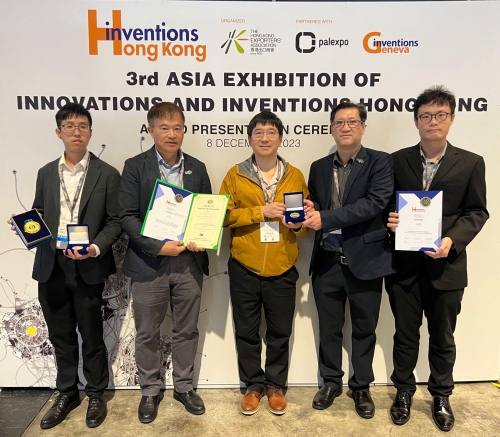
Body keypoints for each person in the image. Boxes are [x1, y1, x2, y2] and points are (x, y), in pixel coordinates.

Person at [7, 103, 121, 429]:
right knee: (61, 335)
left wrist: (94, 248)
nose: (76, 132)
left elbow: (114, 222)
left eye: (82, 126)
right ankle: (67, 392)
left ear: (90, 132)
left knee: (92, 335)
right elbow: (39, 212)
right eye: (69, 126)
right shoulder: (46, 172)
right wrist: (26, 225)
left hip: (88, 265)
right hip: (52, 265)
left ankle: (96, 393)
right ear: (59, 132)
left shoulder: (107, 173)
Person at [386, 86, 488, 432]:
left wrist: (451, 241)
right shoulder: (396, 160)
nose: (433, 121)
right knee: (405, 335)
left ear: (452, 119)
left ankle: (442, 395)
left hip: (447, 267)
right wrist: (390, 221)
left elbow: (477, 211)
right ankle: (403, 392)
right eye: (426, 116)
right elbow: (385, 205)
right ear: (416, 121)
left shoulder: (471, 162)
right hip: (404, 268)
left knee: (443, 337)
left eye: (440, 115)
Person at [119, 102, 211, 423]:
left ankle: (184, 387)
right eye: (164, 128)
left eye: (177, 128)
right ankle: (149, 390)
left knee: (187, 329)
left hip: (189, 262)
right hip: (149, 263)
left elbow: (206, 211)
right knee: (147, 332)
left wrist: (202, 235)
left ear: (184, 130)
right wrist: (159, 247)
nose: (172, 134)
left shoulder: (197, 167)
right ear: (150, 130)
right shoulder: (135, 166)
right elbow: (126, 217)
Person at [303, 101, 394, 419]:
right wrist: (308, 209)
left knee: (364, 329)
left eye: (352, 122)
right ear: (331, 128)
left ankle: (361, 387)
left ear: (363, 127)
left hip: (366, 261)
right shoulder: (318, 167)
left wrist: (325, 217)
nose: (345, 127)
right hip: (327, 260)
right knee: (329, 329)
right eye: (339, 122)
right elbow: (316, 204)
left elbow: (374, 203)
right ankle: (330, 382)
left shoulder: (380, 162)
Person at [219, 111, 308, 416]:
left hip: (283, 266)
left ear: (281, 138)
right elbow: (223, 216)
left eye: (271, 132)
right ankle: (253, 385)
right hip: (244, 266)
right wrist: (261, 212)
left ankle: (276, 386)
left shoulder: (295, 175)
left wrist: (298, 223)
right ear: (249, 139)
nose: (265, 137)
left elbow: (304, 224)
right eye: (258, 132)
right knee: (246, 331)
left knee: (280, 332)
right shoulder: (235, 175)